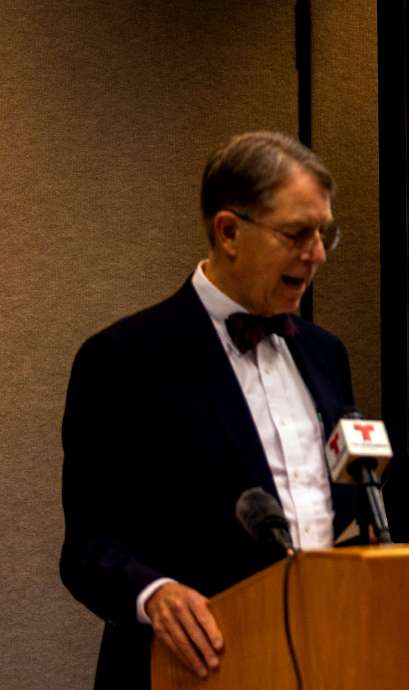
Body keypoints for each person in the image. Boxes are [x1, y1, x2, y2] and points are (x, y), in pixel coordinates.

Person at [60, 132, 363, 687]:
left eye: (325, 234)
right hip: (190, 671)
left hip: (325, 660)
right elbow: (87, 547)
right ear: (229, 231)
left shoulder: (326, 355)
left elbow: (351, 494)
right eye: (297, 233)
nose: (317, 253)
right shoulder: (124, 358)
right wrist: (153, 594)